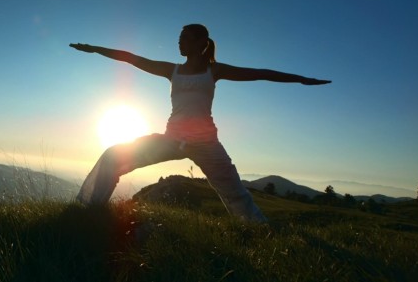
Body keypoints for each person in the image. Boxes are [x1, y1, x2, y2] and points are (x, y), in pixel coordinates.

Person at [69, 24, 331, 222]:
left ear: (200, 42)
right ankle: (89, 212)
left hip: (206, 143)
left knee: (235, 192)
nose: (179, 42)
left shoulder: (214, 71)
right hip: (171, 140)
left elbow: (261, 74)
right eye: (179, 38)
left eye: (184, 38)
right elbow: (131, 58)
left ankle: (257, 230)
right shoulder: (171, 69)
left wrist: (301, 79)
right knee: (114, 155)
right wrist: (94, 49)